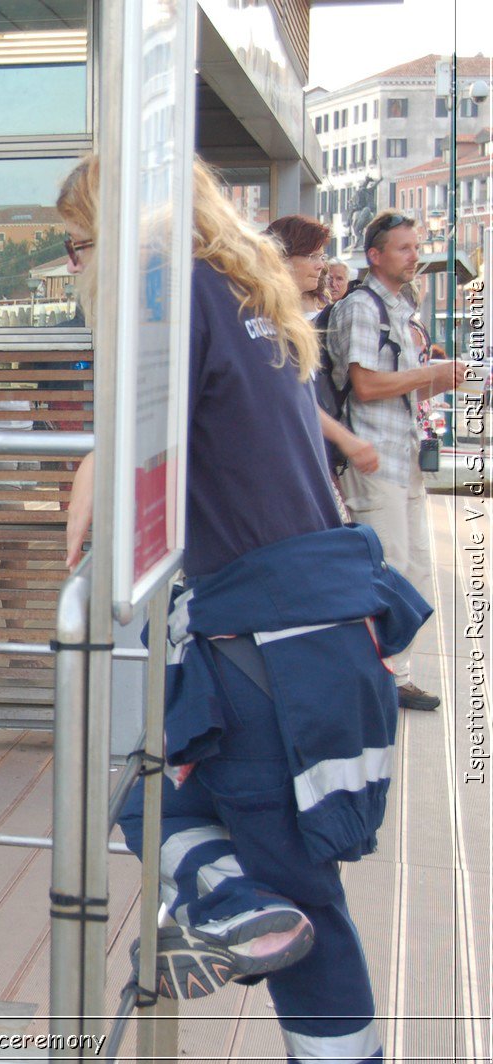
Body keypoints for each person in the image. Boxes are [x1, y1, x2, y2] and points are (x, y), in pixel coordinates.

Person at [59, 158, 430, 1064]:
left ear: (117, 234)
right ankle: (229, 903)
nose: (74, 269)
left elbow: (139, 447)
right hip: (317, 630)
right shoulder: (248, 296)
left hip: (267, 650)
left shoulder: (173, 297)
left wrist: (85, 506)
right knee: (168, 797)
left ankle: (236, 908)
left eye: (77, 246)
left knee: (299, 898)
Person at [326, 211, 469, 711]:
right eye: (404, 248)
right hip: (372, 457)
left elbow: (398, 384)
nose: (414, 255)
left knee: (413, 571)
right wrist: (429, 372)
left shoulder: (401, 309)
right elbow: (364, 386)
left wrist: (440, 377)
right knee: (385, 570)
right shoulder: (361, 308)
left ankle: (392, 674)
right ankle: (372, 679)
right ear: (375, 255)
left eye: (416, 246)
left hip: (399, 455)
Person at [264, 214, 379, 481]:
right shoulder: (265, 320)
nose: (320, 266)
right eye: (313, 256)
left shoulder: (285, 318)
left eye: (322, 256)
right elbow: (290, 395)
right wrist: (346, 439)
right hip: (282, 463)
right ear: (282, 258)